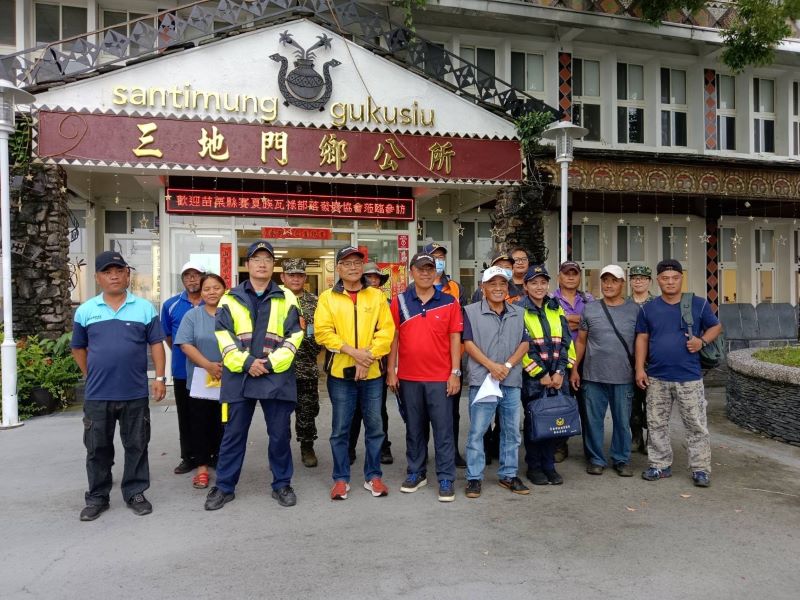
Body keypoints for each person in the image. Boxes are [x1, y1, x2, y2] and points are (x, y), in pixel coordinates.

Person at [204, 241, 304, 510]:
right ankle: (224, 486)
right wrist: (247, 362)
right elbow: (223, 338)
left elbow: (295, 336)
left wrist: (268, 364)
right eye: (256, 258)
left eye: (268, 259)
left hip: (275, 375)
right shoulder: (230, 297)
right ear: (247, 265)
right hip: (240, 375)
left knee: (280, 434)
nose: (262, 263)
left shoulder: (287, 297)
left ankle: (282, 483)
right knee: (233, 434)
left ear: (274, 265)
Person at [72, 251, 166, 521]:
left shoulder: (145, 308)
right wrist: (91, 373)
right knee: (97, 447)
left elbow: (156, 345)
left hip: (134, 392)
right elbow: (78, 348)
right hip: (98, 394)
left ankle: (135, 492)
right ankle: (98, 497)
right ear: (98, 277)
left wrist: (159, 379)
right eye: (107, 271)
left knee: (137, 444)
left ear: (127, 274)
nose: (113, 275)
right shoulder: (86, 310)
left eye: (119, 270)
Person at [315, 246, 396, 501]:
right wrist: (354, 353)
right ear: (338, 268)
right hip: (340, 375)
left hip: (372, 374)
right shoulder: (327, 297)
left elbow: (386, 332)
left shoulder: (376, 296)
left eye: (357, 263)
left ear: (363, 267)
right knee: (340, 429)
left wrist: (366, 357)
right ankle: (341, 479)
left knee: (375, 427)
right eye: (347, 263)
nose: (353, 267)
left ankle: (373, 476)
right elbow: (323, 332)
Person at [635, 259, 722, 488]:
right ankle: (659, 465)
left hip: (689, 377)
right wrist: (639, 368)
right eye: (665, 278)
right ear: (658, 280)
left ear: (682, 278)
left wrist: (701, 341)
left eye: (675, 277)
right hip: (656, 376)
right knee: (656, 424)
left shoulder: (698, 304)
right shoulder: (648, 308)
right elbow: (642, 338)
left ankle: (700, 469)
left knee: (696, 424)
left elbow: (716, 326)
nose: (670, 282)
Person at [386, 253, 463, 502]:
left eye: (430, 268)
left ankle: (445, 477)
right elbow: (394, 338)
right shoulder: (399, 302)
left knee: (443, 430)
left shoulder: (450, 302)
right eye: (421, 269)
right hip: (409, 378)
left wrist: (455, 373)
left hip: (440, 378)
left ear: (436, 272)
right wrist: (391, 370)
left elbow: (455, 338)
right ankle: (416, 473)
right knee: (414, 429)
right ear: (412, 272)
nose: (426, 273)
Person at [462, 266, 530, 498]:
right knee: (477, 431)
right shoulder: (470, 312)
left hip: (510, 380)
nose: (498, 288)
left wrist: (507, 366)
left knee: (511, 431)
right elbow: (468, 343)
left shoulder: (518, 313)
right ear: (483, 287)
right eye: (493, 284)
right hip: (483, 380)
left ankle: (508, 474)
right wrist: (492, 366)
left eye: (502, 284)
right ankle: (474, 477)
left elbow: (524, 343)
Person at [571, 265, 640, 478]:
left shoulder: (635, 310)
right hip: (592, 376)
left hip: (623, 376)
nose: (609, 285)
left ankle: (621, 459)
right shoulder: (590, 309)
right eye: (605, 280)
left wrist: (639, 369)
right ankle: (596, 459)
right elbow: (581, 341)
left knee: (622, 420)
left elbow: (641, 342)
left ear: (622, 283)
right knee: (593, 421)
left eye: (614, 281)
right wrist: (574, 369)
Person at [518, 265, 574, 486]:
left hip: (557, 376)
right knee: (535, 422)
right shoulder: (518, 309)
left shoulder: (555, 306)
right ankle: (534, 466)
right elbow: (522, 345)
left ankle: (549, 465)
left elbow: (567, 342)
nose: (539, 287)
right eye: (534, 282)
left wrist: (560, 371)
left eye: (542, 282)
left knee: (554, 421)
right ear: (525, 286)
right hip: (534, 377)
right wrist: (540, 373)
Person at [173, 273, 226, 489]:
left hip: (228, 379)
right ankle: (202, 467)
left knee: (224, 423)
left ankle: (223, 463)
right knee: (199, 423)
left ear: (224, 290)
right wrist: (208, 365)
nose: (211, 292)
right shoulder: (192, 316)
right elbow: (185, 344)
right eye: (207, 289)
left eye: (216, 288)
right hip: (200, 380)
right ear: (201, 292)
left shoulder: (232, 314)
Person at [425, 241, 468, 468]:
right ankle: (422, 454)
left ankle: (452, 452)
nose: (438, 260)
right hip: (425, 358)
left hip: (451, 357)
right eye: (434, 256)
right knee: (423, 411)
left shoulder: (456, 288)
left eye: (441, 256)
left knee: (452, 410)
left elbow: (463, 322)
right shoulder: (415, 288)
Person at [161, 261, 206, 475]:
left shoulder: (215, 302)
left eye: (195, 274)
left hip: (212, 369)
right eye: (187, 275)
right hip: (182, 370)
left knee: (211, 415)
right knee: (186, 415)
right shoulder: (171, 304)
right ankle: (188, 457)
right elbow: (169, 337)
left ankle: (211, 455)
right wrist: (187, 353)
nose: (191, 279)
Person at [348, 262, 393, 466]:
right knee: (353, 411)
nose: (373, 281)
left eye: (376, 278)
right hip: (349, 363)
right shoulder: (349, 300)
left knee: (378, 411)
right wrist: (360, 357)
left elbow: (389, 334)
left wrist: (371, 358)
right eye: (369, 277)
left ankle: (383, 448)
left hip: (379, 366)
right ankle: (349, 448)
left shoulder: (388, 302)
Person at [280, 258, 323, 468]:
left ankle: (307, 446)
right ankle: (281, 450)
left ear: (305, 277)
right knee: (279, 413)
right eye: (291, 275)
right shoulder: (274, 299)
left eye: (299, 275)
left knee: (307, 410)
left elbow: (321, 337)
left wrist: (306, 333)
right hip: (279, 369)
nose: (295, 279)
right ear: (283, 277)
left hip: (306, 366)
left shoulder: (315, 302)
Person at [553, 260, 594, 463]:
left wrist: (570, 318)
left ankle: (591, 449)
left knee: (587, 405)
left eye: (574, 273)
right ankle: (560, 445)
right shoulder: (550, 298)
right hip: (558, 357)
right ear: (559, 275)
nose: (570, 277)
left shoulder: (589, 299)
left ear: (579, 276)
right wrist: (579, 319)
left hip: (585, 358)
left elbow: (594, 322)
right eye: (566, 273)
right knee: (561, 403)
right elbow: (555, 322)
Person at [628, 264, 654, 453]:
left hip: (653, 361)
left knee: (654, 403)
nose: (639, 281)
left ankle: (653, 440)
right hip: (628, 360)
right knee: (632, 403)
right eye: (635, 278)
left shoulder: (657, 303)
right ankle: (636, 437)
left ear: (650, 282)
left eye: (643, 278)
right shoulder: (624, 303)